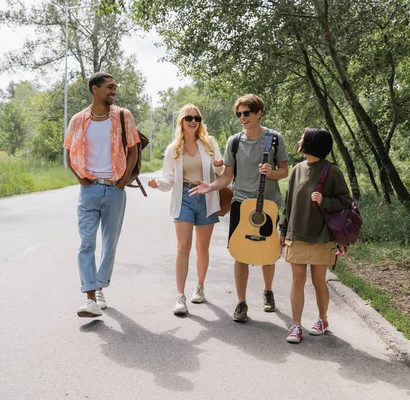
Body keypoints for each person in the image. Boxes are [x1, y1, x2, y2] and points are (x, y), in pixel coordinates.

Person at [190, 94, 289, 322]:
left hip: (268, 204)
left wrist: (271, 173)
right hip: (241, 204)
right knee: (240, 253)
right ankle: (241, 302)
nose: (242, 118)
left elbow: (284, 170)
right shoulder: (234, 142)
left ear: (258, 113)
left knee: (268, 253)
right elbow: (227, 176)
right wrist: (211, 186)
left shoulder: (274, 139)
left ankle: (267, 291)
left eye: (246, 113)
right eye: (239, 114)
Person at [63, 71, 140, 318]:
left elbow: (133, 151)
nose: (113, 91)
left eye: (115, 87)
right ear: (94, 89)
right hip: (89, 190)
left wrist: (122, 182)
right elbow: (68, 152)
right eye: (109, 87)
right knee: (86, 243)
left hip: (115, 190)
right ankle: (90, 297)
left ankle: (99, 286)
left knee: (109, 244)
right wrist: (80, 178)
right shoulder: (77, 120)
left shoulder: (122, 116)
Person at [148, 104, 225, 315]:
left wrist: (219, 164)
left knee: (202, 247)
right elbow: (169, 178)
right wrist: (159, 183)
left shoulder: (209, 144)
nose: (193, 121)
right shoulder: (174, 148)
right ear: (181, 121)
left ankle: (199, 287)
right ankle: (180, 296)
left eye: (197, 118)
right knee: (183, 247)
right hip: (184, 198)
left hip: (206, 197)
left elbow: (221, 171)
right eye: (189, 117)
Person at [278, 127, 352, 343]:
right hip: (296, 233)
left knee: (319, 280)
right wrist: (283, 229)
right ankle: (296, 326)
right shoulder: (297, 169)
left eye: (303, 137)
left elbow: (345, 201)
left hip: (321, 236)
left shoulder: (332, 171)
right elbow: (289, 202)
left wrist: (325, 201)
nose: (299, 140)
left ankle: (322, 319)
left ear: (312, 143)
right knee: (297, 280)